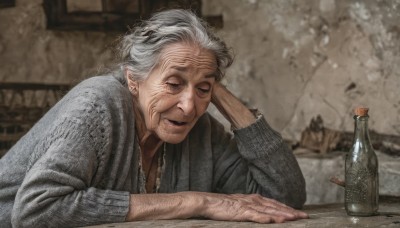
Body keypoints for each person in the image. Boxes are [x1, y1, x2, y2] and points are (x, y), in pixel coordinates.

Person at [0, 9, 307, 227]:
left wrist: (220, 95)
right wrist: (195, 202)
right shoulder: (98, 105)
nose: (188, 106)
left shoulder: (201, 130)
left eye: (204, 89)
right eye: (173, 84)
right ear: (134, 79)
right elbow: (36, 210)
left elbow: (284, 197)